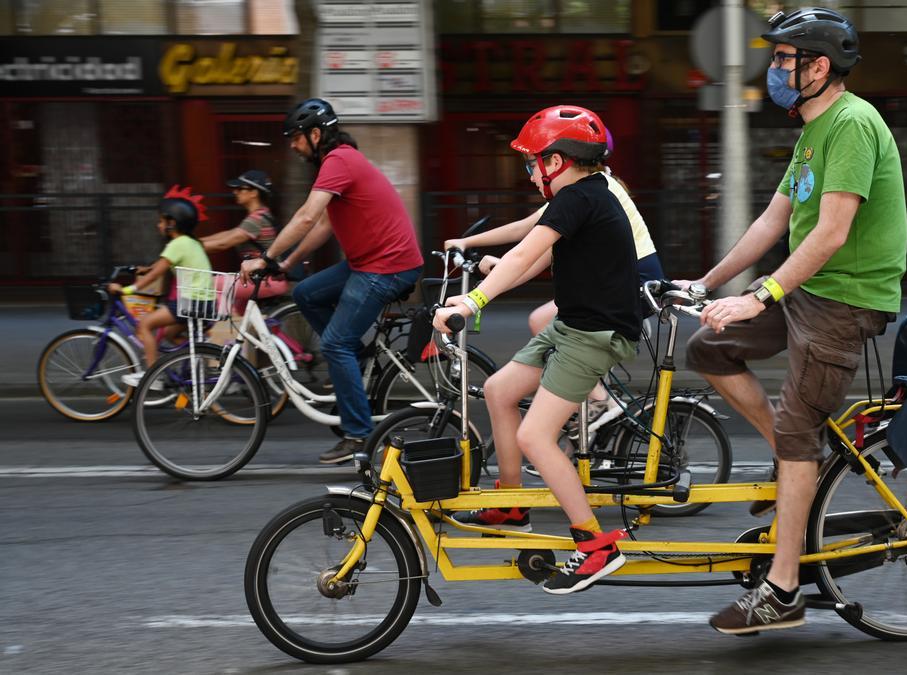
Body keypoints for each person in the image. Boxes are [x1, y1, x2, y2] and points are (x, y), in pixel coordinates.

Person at [677, 8, 907, 634]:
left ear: (818, 66)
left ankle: (782, 593)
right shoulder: (812, 131)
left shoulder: (853, 124)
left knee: (800, 427)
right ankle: (792, 456)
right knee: (708, 348)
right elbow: (773, 221)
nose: (773, 68)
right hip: (808, 290)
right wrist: (705, 283)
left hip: (845, 298)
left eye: (783, 58)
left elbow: (831, 234)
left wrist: (761, 295)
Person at [432, 105, 641, 594]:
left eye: (532, 162)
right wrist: (489, 278)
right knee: (499, 390)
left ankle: (596, 544)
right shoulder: (584, 196)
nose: (529, 172)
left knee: (536, 437)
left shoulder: (577, 199)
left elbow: (527, 252)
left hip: (594, 336)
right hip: (571, 325)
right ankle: (511, 501)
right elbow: (535, 260)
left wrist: (472, 301)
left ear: (558, 161)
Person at [443, 130, 664, 433]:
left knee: (544, 320)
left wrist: (469, 254)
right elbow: (538, 250)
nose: (531, 175)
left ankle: (601, 402)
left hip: (635, 280)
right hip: (614, 281)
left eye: (533, 165)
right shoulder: (588, 189)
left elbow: (526, 233)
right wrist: (491, 261)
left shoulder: (585, 193)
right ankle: (586, 409)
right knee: (547, 329)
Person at [240, 98, 424, 464]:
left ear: (314, 134)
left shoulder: (339, 159)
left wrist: (267, 257)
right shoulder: (338, 162)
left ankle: (358, 436)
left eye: (294, 138)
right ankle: (352, 358)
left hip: (386, 267)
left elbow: (307, 216)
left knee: (336, 344)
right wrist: (289, 261)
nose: (292, 146)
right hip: (367, 264)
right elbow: (324, 223)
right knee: (307, 293)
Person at [111, 185, 214, 389]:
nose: (158, 225)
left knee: (145, 325)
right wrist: (147, 268)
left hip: (190, 302)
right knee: (169, 334)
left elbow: (157, 272)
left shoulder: (177, 244)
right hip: (204, 303)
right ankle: (190, 364)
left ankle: (152, 376)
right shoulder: (191, 243)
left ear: (172, 223)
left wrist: (127, 290)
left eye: (161, 221)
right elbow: (160, 266)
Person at [200, 169, 289, 315]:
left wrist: (190, 247)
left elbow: (223, 243)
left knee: (210, 284)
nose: (235, 192)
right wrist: (194, 241)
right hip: (261, 278)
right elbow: (229, 234)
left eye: (240, 188)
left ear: (254, 193)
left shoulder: (256, 219)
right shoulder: (260, 215)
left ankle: (222, 332)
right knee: (243, 318)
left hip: (264, 280)